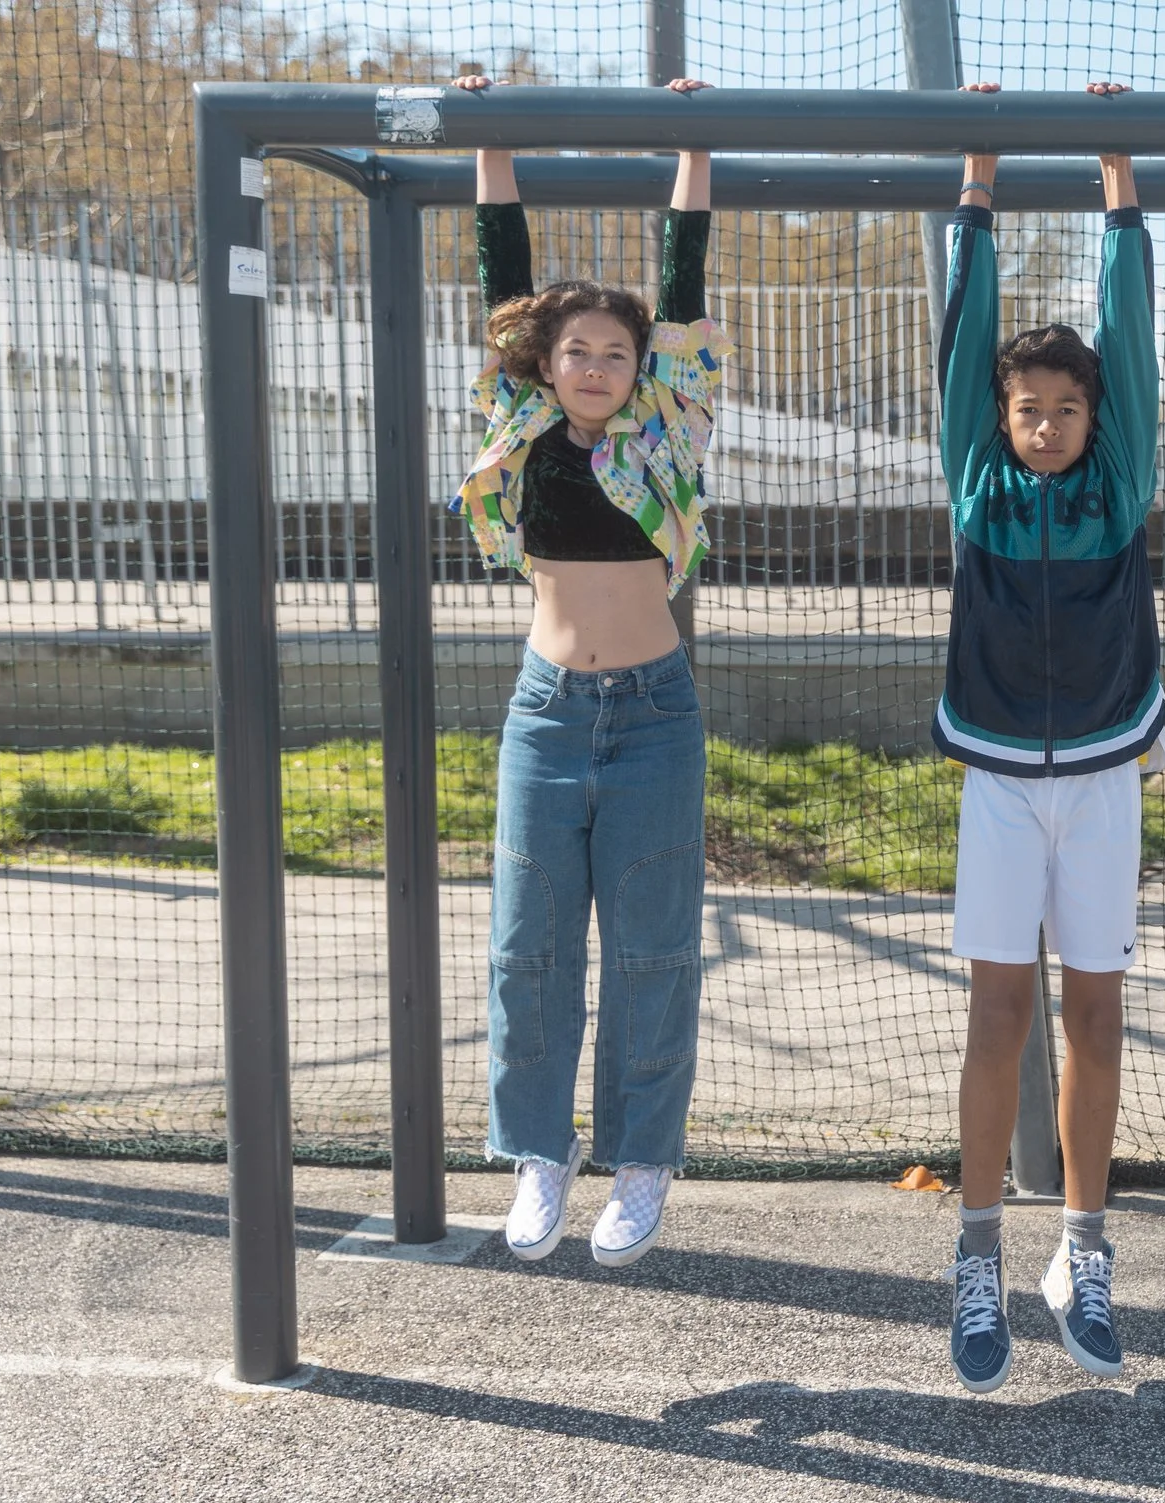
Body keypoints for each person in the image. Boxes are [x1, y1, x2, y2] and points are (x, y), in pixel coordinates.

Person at [447, 73, 733, 1269]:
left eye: (619, 351)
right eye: (579, 351)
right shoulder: (517, 427)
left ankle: (643, 1162)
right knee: (531, 945)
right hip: (549, 714)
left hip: (657, 715)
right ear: (549, 363)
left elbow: (684, 277)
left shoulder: (666, 427)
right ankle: (539, 1157)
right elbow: (499, 269)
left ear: (640, 367)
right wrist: (492, 144)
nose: (600, 365)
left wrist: (691, 142)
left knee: (657, 943)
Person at [935, 81, 1165, 1394]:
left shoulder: (1117, 484)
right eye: (1024, 406)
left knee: (1096, 1010)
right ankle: (977, 1252)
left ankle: (1082, 1249)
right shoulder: (976, 482)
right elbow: (963, 349)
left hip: (1102, 775)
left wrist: (1118, 178)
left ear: (1091, 419)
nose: (1041, 421)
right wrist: (977, 177)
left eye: (1063, 408)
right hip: (995, 782)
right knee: (999, 1007)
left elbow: (1128, 343)